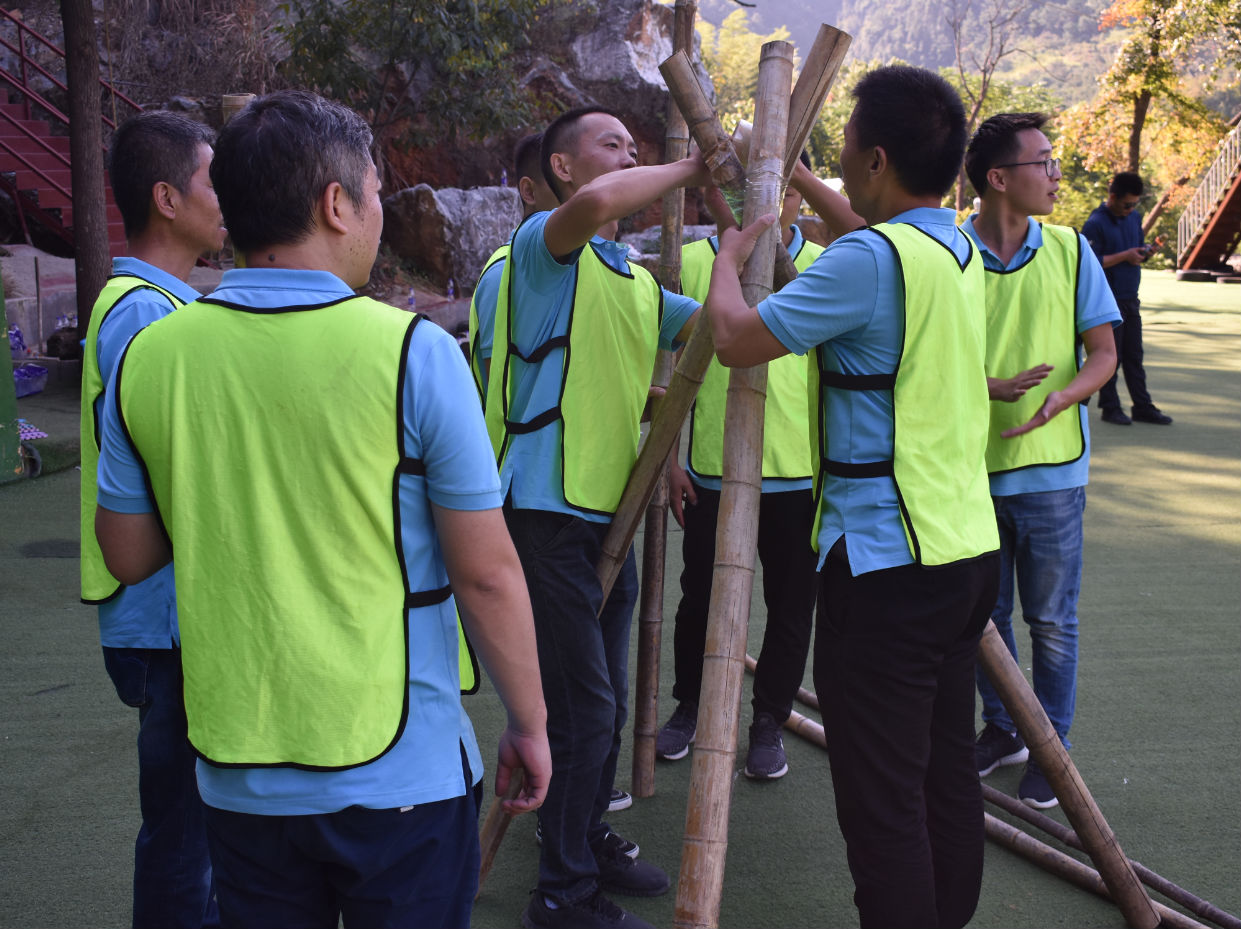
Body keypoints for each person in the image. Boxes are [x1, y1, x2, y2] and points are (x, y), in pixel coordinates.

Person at [93, 90, 550, 928]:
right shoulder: (413, 352)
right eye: (374, 193)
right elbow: (485, 572)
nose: (378, 211)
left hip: (239, 769)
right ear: (336, 204)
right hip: (400, 772)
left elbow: (124, 554)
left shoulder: (154, 351)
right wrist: (529, 720)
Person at [704, 66, 1001, 929]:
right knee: (944, 778)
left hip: (884, 567)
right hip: (962, 553)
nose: (836, 169)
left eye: (840, 154)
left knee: (882, 807)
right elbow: (865, 237)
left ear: (873, 159)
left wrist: (728, 259)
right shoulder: (951, 247)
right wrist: (795, 174)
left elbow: (733, 339)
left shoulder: (869, 261)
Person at [484, 105, 708, 929]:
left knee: (604, 697)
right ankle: (561, 888)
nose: (628, 154)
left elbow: (718, 331)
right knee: (579, 707)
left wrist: (756, 239)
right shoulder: (541, 250)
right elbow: (591, 209)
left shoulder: (637, 280)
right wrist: (696, 168)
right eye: (609, 145)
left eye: (633, 147)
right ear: (565, 170)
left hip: (607, 510)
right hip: (542, 510)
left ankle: (580, 838)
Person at [79, 109, 225, 929]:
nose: (225, 196)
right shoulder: (144, 312)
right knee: (182, 834)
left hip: (162, 608)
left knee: (190, 828)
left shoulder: (159, 302)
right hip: (162, 614)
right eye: (211, 179)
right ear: (167, 198)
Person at [961, 113, 1120, 809]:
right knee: (979, 619)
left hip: (1053, 473)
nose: (1057, 174)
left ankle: (1049, 746)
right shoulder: (948, 252)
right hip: (965, 470)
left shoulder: (1069, 249)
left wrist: (1065, 398)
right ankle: (1004, 728)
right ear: (999, 178)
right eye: (1044, 162)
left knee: (1051, 619)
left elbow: (1103, 355)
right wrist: (982, 387)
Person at [656, 162, 822, 780]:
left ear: (794, 198)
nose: (754, 207)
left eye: (773, 194)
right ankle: (688, 710)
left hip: (799, 477)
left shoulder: (824, 264)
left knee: (790, 605)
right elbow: (668, 370)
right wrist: (670, 458)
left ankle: (768, 723)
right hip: (711, 469)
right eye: (735, 193)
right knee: (696, 597)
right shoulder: (698, 264)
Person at [468, 132, 559, 401]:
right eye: (565, 186)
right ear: (529, 191)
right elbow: (504, 399)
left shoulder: (588, 268)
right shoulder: (505, 276)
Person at [1082, 171, 1172, 425]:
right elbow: (1091, 262)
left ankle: (1142, 406)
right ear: (1112, 197)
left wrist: (1145, 252)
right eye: (1127, 204)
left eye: (1135, 204)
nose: (1131, 209)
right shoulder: (1095, 223)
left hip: (1131, 297)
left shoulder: (1133, 218)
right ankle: (1110, 408)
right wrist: (1125, 255)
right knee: (1112, 357)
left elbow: (1136, 250)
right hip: (1108, 301)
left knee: (1135, 355)